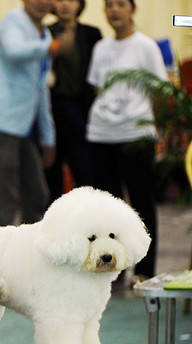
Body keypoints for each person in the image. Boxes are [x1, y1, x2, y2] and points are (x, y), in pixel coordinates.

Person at [0, 0, 74, 226]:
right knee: (6, 197)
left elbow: (41, 90)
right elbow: (13, 50)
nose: (43, 2)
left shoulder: (45, 34)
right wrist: (53, 48)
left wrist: (48, 138)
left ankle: (30, 251)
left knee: (37, 193)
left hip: (21, 128)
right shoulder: (13, 21)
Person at [86, 0, 167, 279]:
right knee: (108, 209)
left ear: (132, 9)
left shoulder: (146, 46)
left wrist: (158, 132)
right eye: (108, 5)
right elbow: (98, 88)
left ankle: (144, 271)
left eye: (120, 4)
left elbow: (159, 91)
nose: (114, 10)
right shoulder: (101, 48)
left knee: (142, 203)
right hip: (100, 134)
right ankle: (114, 270)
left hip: (136, 135)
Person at [45, 0, 102, 202]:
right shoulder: (45, 31)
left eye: (70, 0)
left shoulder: (91, 34)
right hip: (50, 110)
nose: (64, 5)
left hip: (81, 109)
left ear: (79, 5)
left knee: (85, 170)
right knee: (51, 172)